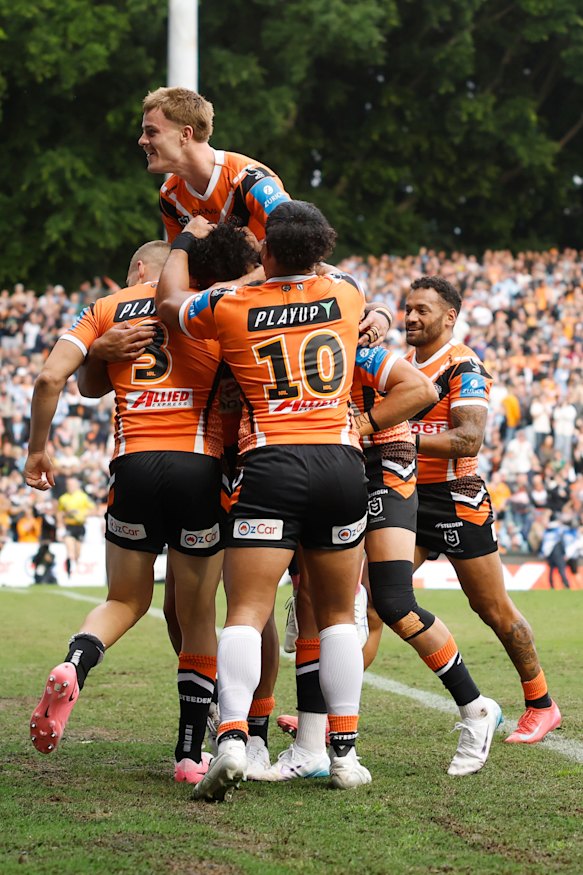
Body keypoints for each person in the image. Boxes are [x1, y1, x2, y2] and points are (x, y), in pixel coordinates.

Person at [156, 200, 373, 799]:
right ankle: (344, 755)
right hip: (338, 460)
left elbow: (171, 302)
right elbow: (350, 290)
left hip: (271, 462)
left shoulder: (231, 304)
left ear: (266, 250)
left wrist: (221, 263)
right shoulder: (348, 295)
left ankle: (230, 739)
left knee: (246, 611)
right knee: (334, 617)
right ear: (322, 248)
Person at [25, 236, 256, 782]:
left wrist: (37, 449)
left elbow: (52, 379)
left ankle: (75, 663)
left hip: (132, 465)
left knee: (124, 600)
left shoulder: (104, 311)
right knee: (198, 618)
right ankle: (186, 755)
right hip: (199, 467)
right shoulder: (204, 302)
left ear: (135, 269)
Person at [271, 344, 502, 779]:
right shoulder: (291, 326)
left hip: (385, 457)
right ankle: (309, 748)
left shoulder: (345, 321)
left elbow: (369, 313)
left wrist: (375, 321)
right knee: (312, 601)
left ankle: (476, 710)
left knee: (394, 601)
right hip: (327, 456)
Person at [404, 275, 561, 743]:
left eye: (422, 310)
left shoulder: (465, 366)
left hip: (456, 499)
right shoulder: (402, 365)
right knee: (377, 602)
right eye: (407, 308)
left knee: (492, 607)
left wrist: (403, 439)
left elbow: (469, 439)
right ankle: (329, 718)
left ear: (449, 317)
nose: (411, 316)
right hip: (409, 497)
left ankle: (541, 704)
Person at [57, 476, 95, 576]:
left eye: (72, 485)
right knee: (70, 551)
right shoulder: (63, 498)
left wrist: (83, 514)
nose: (70, 487)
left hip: (80, 527)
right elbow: (59, 512)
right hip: (69, 526)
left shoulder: (83, 496)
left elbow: (93, 509)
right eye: (68, 485)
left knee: (78, 553)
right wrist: (60, 525)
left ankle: (75, 568)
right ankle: (70, 569)